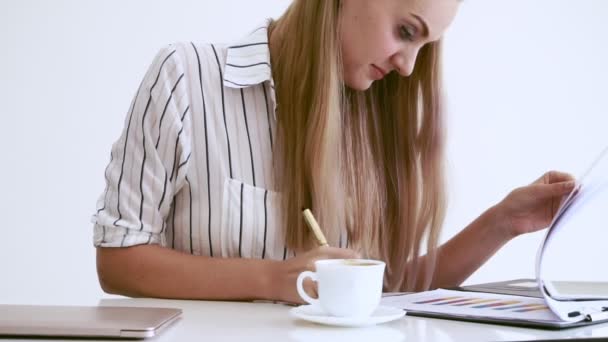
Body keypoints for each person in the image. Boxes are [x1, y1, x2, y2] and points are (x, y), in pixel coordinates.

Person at [92, 0, 576, 304]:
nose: (409, 68)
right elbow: (118, 263)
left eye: (424, 46)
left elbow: (386, 288)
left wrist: (503, 223)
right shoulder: (186, 77)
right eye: (407, 32)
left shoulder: (373, 118)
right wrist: (275, 279)